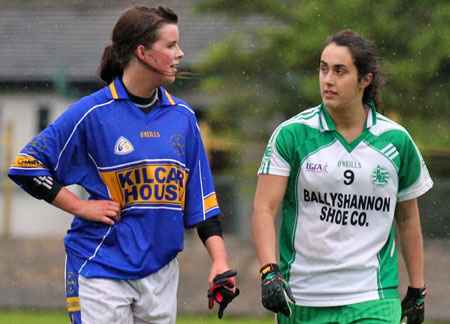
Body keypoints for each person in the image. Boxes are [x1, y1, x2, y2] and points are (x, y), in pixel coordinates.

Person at [8, 5, 238, 324]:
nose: (180, 53)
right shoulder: (93, 112)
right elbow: (27, 166)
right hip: (100, 265)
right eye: (170, 45)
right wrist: (79, 206)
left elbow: (203, 203)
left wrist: (219, 262)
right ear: (142, 52)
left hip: (161, 272)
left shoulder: (183, 118)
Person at [252, 29, 432, 324]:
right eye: (323, 69)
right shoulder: (291, 135)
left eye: (340, 71)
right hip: (303, 296)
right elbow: (264, 208)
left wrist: (417, 288)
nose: (328, 79)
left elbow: (408, 218)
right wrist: (268, 270)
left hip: (374, 296)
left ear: (365, 80)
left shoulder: (396, 141)